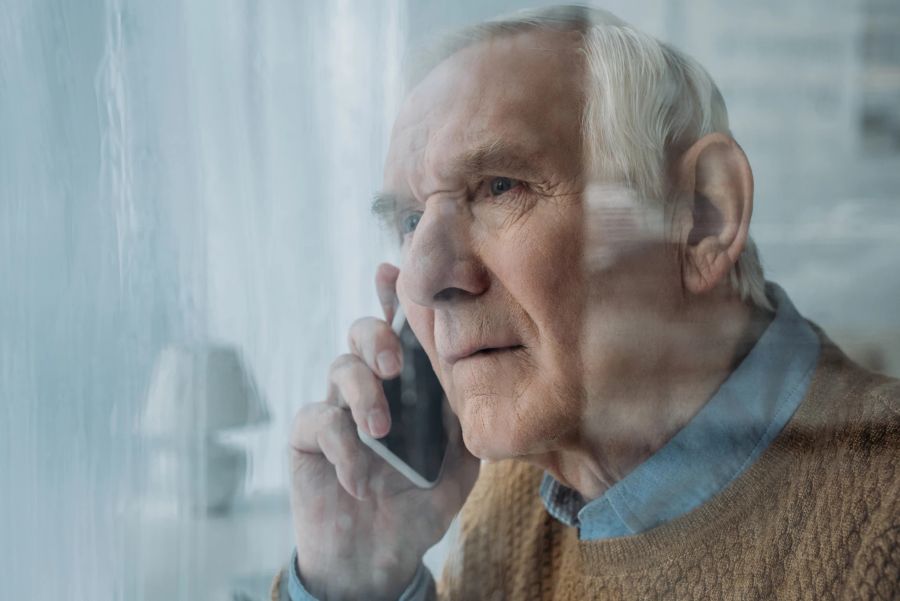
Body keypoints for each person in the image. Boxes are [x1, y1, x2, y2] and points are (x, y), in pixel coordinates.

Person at [273, 6, 899, 600]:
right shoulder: (516, 491)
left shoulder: (882, 523)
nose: (425, 278)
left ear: (703, 216)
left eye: (499, 187)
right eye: (410, 220)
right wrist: (354, 579)